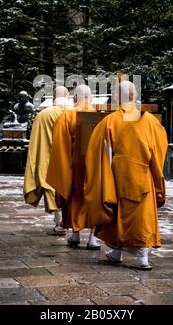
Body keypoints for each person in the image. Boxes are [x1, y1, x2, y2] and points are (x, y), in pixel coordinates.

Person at [84, 80, 168, 269]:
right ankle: (138, 257)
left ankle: (119, 250)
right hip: (143, 175)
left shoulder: (109, 121)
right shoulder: (149, 120)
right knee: (142, 217)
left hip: (117, 176)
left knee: (116, 213)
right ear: (135, 96)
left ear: (116, 97)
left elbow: (96, 151)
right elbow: (160, 146)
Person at [46, 84, 101, 250]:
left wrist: (63, 167)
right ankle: (93, 238)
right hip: (95, 164)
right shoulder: (100, 116)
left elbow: (60, 145)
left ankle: (76, 234)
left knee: (75, 197)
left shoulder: (66, 116)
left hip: (75, 164)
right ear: (91, 98)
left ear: (74, 98)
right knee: (94, 198)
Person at [23, 86, 71, 235]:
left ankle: (59, 222)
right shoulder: (74, 114)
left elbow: (35, 141)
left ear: (53, 97)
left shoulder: (42, 115)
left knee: (51, 186)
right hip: (69, 158)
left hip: (48, 156)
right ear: (68, 96)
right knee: (70, 187)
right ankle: (73, 223)